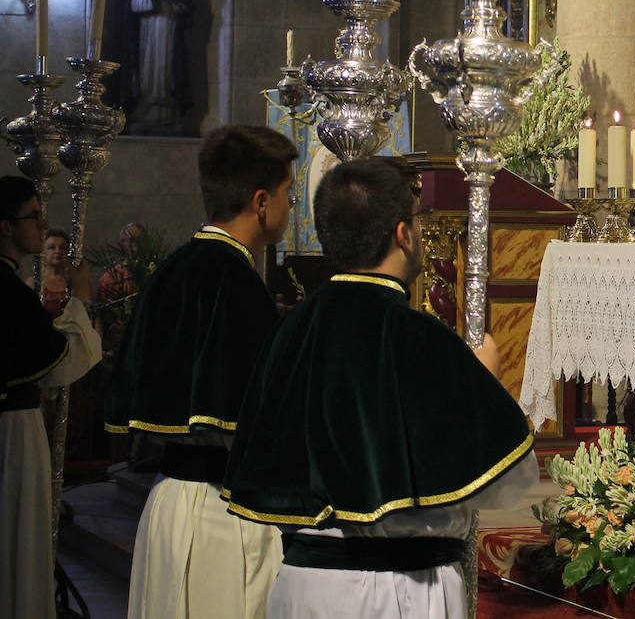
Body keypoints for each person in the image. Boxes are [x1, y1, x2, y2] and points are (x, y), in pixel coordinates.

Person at [222, 157, 537, 618]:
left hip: (302, 588)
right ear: (403, 234)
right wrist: (483, 384)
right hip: (400, 590)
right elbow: (502, 483)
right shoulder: (417, 334)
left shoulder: (289, 332)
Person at [105, 125, 298, 618]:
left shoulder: (173, 269)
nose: (291, 206)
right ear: (260, 201)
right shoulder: (236, 282)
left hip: (167, 505)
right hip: (223, 514)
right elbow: (257, 418)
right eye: (288, 194)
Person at [1, 176, 101, 619]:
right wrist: (80, 300)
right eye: (33, 216)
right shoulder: (8, 291)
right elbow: (60, 362)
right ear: (6, 226)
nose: (43, 226)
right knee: (18, 542)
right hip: (10, 432)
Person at [127, 0, 194, 133]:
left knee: (167, 68)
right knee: (149, 66)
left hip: (169, 27)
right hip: (148, 28)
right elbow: (130, 3)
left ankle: (169, 113)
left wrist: (179, 7)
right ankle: (144, 109)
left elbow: (186, 3)